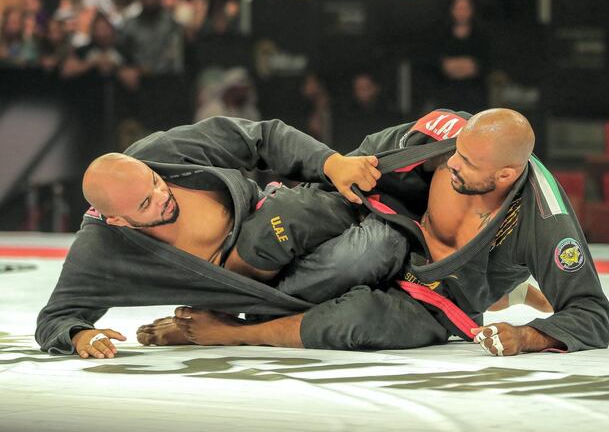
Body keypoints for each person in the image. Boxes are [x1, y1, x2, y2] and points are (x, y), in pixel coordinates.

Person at [137, 109, 609, 357]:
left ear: (507, 176)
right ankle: (233, 307)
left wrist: (530, 339)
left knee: (355, 324)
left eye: (467, 164)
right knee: (357, 251)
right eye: (456, 152)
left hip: (442, 298)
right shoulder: (447, 137)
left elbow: (592, 313)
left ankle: (235, 333)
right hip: (396, 238)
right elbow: (365, 158)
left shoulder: (545, 220)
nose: (451, 165)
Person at [35, 116, 383, 359]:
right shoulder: (100, 249)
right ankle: (217, 322)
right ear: (116, 220)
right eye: (145, 204)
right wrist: (80, 335)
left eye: (155, 181)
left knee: (379, 165)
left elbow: (262, 137)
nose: (162, 195)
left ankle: (212, 321)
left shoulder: (163, 153)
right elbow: (55, 318)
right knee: (371, 252)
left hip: (287, 220)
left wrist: (330, 162)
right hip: (272, 293)